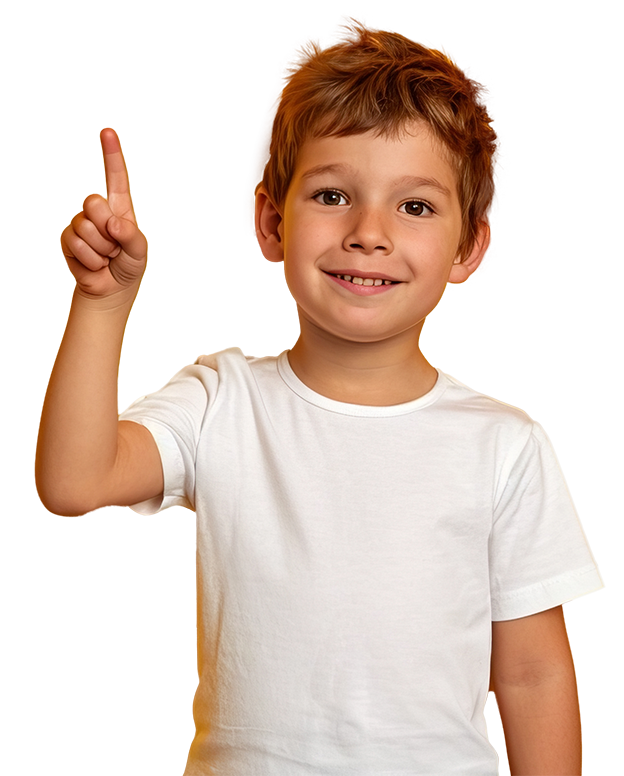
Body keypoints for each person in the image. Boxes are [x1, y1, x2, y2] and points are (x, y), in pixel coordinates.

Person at [36, 15, 601, 775]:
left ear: (468, 249)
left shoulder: (500, 447)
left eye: (416, 206)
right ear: (271, 221)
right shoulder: (220, 404)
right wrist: (104, 304)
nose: (369, 232)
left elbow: (532, 672)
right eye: (333, 195)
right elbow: (75, 480)